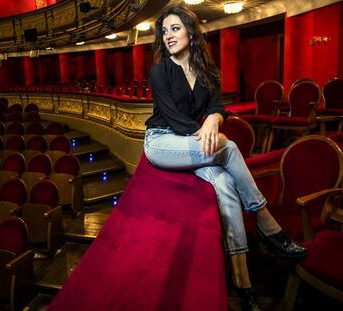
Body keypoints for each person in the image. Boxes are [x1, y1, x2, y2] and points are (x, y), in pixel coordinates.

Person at [144, 5, 307, 311]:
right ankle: (266, 222)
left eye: (175, 28)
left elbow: (219, 106)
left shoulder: (206, 71)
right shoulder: (160, 71)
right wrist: (209, 128)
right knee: (228, 147)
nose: (168, 35)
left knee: (226, 188)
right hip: (163, 142)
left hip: (190, 143)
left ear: (191, 32)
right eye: (164, 31)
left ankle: (243, 283)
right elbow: (175, 119)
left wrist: (213, 119)